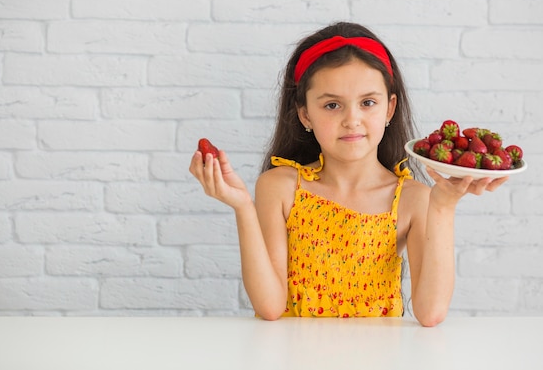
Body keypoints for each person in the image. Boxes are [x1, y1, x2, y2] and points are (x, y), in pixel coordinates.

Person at [189, 21, 507, 327]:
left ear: (389, 109)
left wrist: (444, 205)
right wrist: (243, 206)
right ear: (305, 115)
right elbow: (270, 307)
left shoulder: (412, 199)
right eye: (332, 106)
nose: (352, 120)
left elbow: (431, 312)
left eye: (367, 102)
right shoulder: (280, 187)